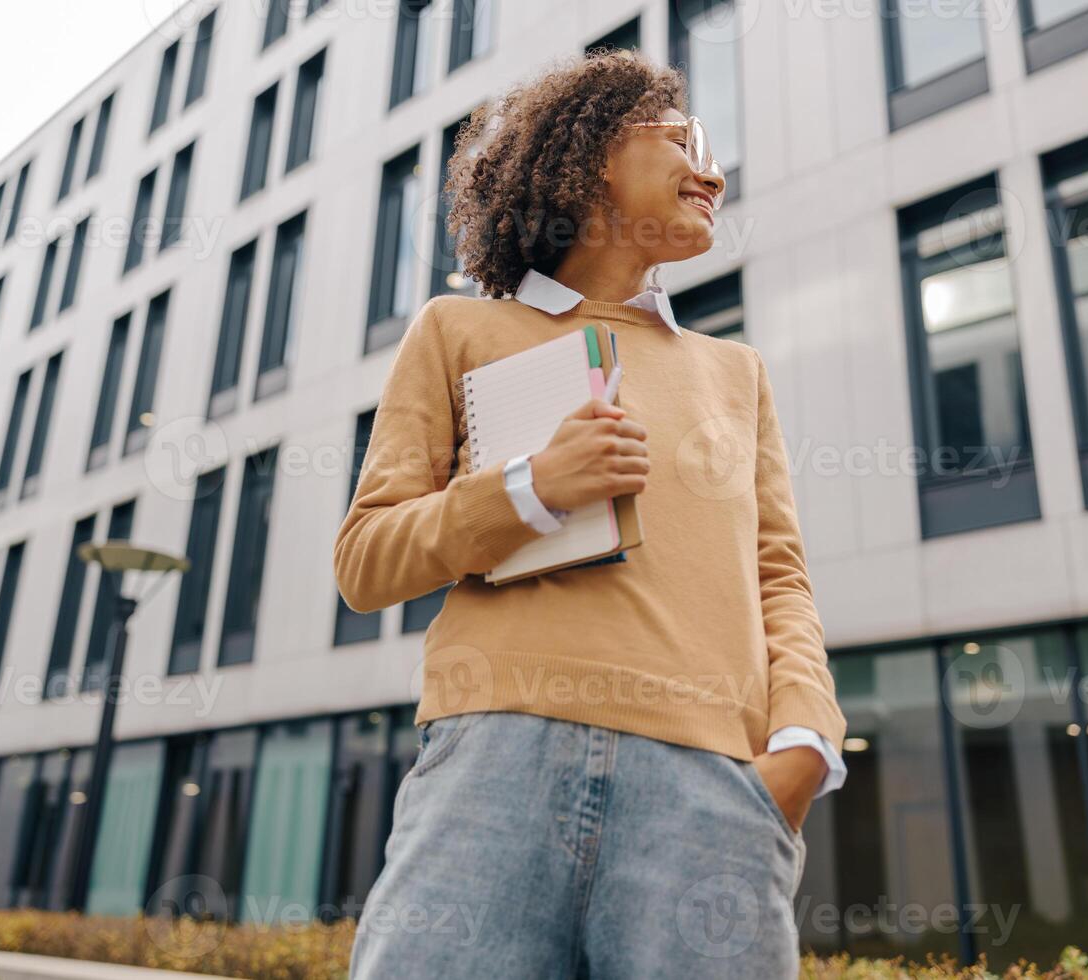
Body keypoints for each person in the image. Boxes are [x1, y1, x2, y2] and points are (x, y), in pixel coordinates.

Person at [333, 50, 846, 978]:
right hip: (495, 765)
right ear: (597, 153)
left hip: (713, 790)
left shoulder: (737, 374)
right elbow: (367, 560)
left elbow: (781, 577)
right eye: (686, 141)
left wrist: (805, 743)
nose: (715, 172)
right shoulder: (458, 331)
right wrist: (529, 488)